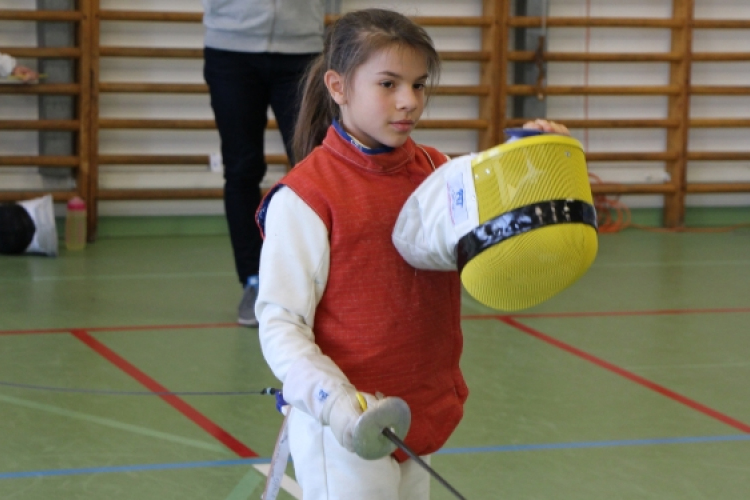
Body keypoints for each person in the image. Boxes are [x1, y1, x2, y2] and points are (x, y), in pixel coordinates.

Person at [255, 9, 570, 499]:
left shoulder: (436, 172)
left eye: (419, 85)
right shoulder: (305, 197)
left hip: (416, 413)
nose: (409, 102)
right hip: (346, 427)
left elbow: (495, 223)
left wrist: (539, 160)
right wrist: (334, 402)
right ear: (338, 87)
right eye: (388, 84)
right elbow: (280, 322)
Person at [202, 0, 326, 327]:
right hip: (230, 47)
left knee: (316, 167)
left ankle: (320, 277)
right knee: (242, 168)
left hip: (302, 49)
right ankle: (253, 281)